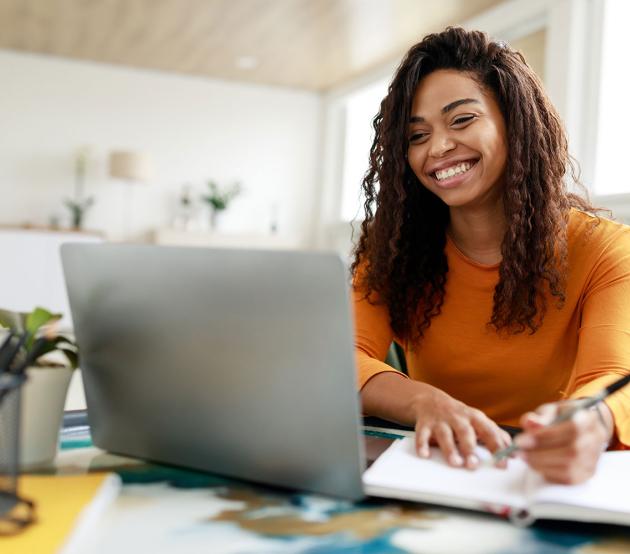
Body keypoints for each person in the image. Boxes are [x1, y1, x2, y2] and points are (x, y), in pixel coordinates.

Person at [351, 27, 630, 484]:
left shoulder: (606, 251)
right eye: (417, 135)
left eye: (461, 120)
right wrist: (424, 401)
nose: (437, 148)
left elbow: (613, 375)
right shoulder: (394, 251)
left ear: (514, 123)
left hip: (541, 478)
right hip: (432, 471)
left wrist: (593, 423)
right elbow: (346, 358)